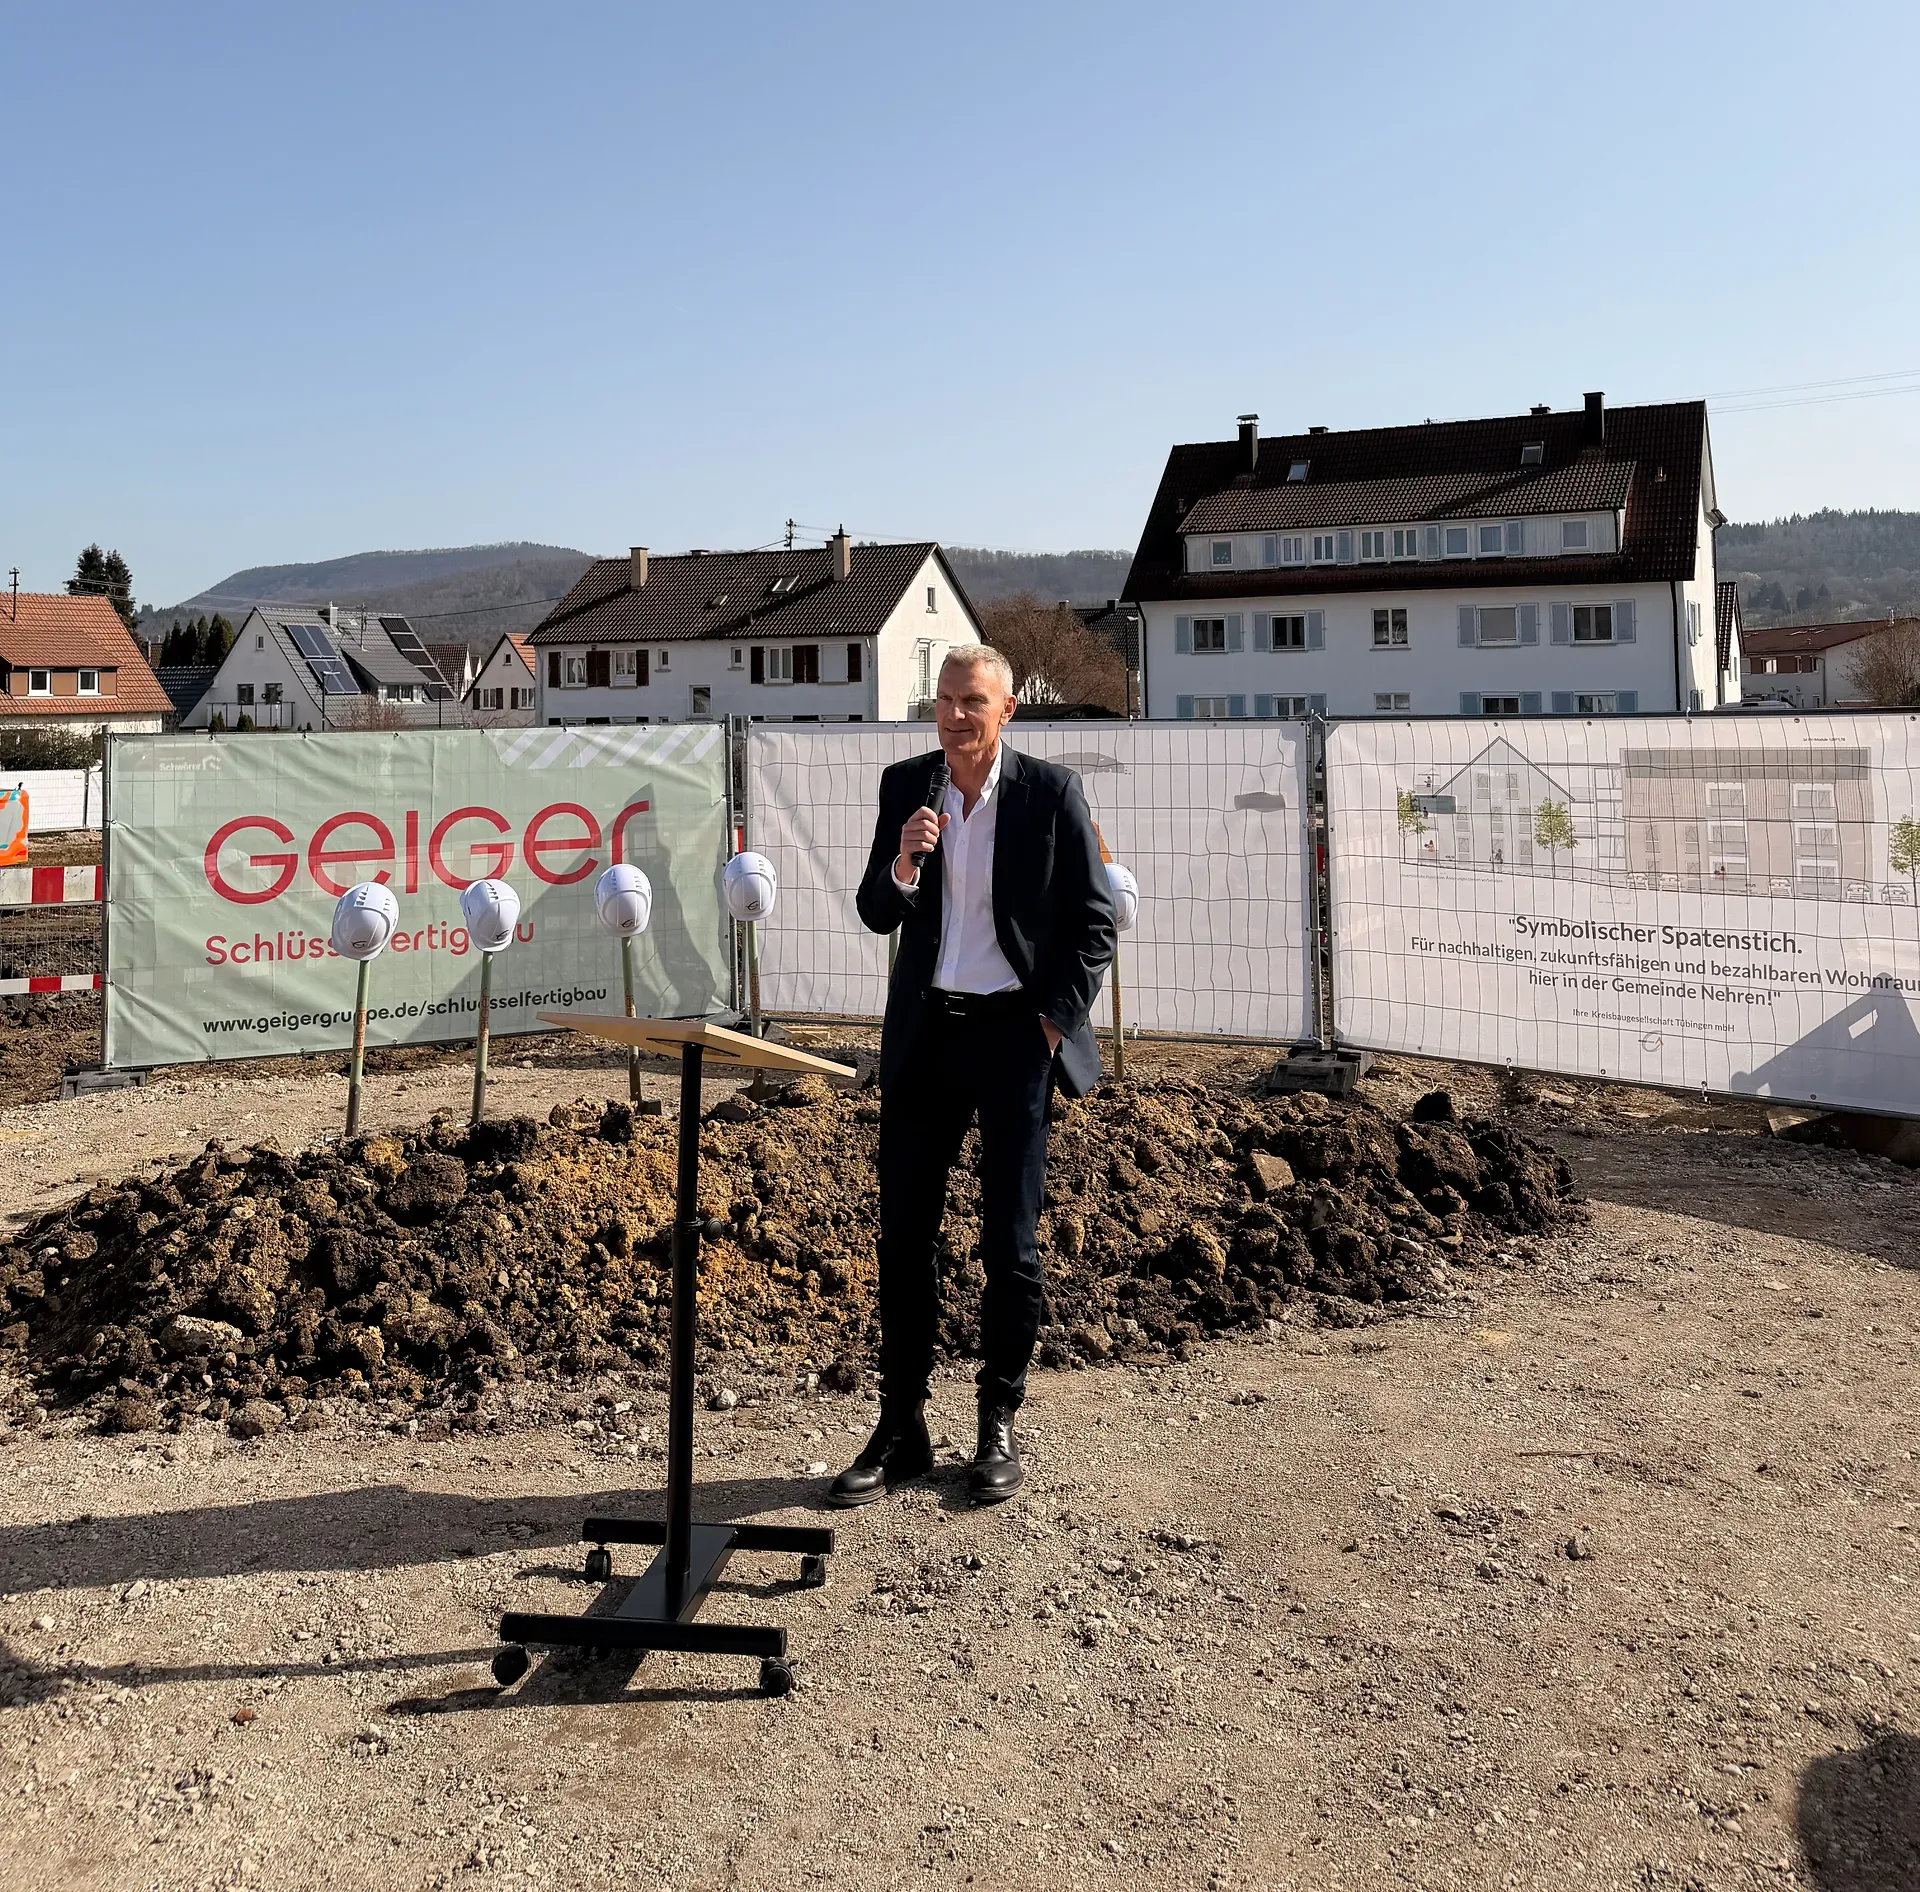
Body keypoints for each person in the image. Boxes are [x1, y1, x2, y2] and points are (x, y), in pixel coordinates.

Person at [829, 645, 1115, 1507]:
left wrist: (1051, 1019)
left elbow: (1094, 923)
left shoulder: (1050, 794)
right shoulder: (906, 786)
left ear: (1008, 709)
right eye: (946, 700)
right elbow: (877, 911)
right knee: (903, 1237)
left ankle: (997, 1420)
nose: (956, 715)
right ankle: (902, 1425)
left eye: (973, 701)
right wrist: (906, 864)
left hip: (1012, 1042)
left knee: (1011, 1246)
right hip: (925, 1040)